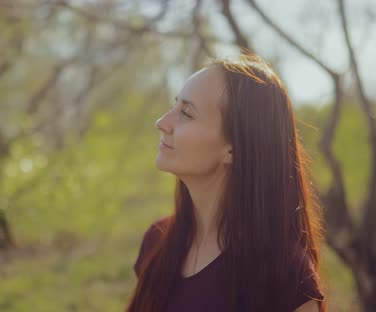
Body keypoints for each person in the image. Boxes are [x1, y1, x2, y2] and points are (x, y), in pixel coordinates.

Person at [126, 53, 326, 312]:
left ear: (234, 148)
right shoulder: (157, 242)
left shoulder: (284, 274)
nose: (162, 123)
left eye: (186, 113)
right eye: (174, 106)